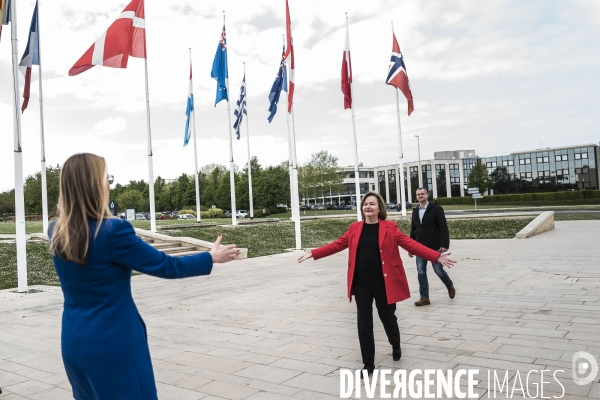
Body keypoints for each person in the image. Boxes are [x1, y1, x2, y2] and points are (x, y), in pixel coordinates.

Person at [48, 153, 239, 400]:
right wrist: (210, 257)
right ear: (93, 185)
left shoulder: (56, 229)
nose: (109, 184)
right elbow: (166, 266)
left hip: (74, 341)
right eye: (107, 178)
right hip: (113, 342)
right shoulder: (113, 231)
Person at [298, 192, 456, 375]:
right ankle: (368, 364)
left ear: (379, 208)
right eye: (365, 204)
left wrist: (436, 256)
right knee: (364, 322)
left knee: (388, 318)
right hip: (361, 282)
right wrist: (315, 253)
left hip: (384, 281)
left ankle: (395, 344)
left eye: (372, 204)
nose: (368, 207)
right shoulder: (354, 228)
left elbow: (412, 245)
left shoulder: (390, 228)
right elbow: (337, 245)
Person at [408, 187, 455, 306]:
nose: (420, 196)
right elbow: (413, 229)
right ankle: (424, 297)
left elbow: (443, 227)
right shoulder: (415, 211)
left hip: (434, 246)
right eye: (418, 194)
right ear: (416, 197)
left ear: (427, 195)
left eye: (422, 194)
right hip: (419, 247)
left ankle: (449, 285)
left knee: (438, 270)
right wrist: (411, 247)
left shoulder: (436, 209)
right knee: (421, 272)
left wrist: (444, 244)